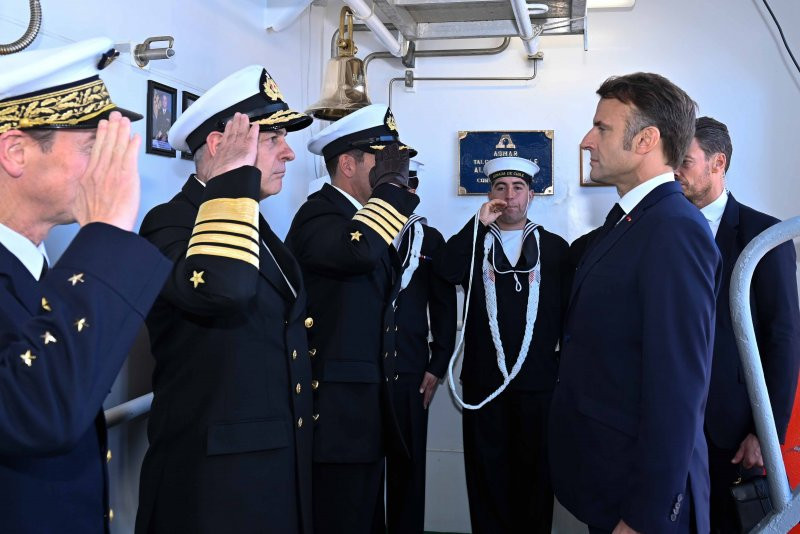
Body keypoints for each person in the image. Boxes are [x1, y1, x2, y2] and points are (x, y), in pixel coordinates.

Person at [0, 37, 171, 533]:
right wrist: (108, 234)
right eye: (94, 149)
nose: (109, 172)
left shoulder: (39, 264)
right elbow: (37, 409)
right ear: (15, 151)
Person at [134, 65, 314, 534]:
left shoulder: (256, 220)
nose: (289, 153)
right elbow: (225, 290)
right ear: (220, 146)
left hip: (272, 464)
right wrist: (233, 182)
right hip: (216, 483)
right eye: (272, 138)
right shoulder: (170, 224)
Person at [548, 72, 722, 534]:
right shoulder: (632, 222)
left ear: (646, 139)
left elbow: (678, 388)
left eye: (602, 128)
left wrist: (646, 515)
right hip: (610, 479)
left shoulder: (673, 229)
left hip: (642, 503)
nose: (587, 141)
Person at [285, 103, 419, 534]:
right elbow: (357, 250)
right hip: (336, 417)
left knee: (364, 518)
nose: (392, 172)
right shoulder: (320, 215)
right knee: (341, 519)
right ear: (347, 164)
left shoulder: (354, 219)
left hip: (362, 412)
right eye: (383, 162)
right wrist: (394, 189)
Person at [675, 116, 800, 533]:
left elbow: (783, 337)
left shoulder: (764, 235)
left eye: (686, 161)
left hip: (734, 433)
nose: (675, 171)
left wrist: (766, 433)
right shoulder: (662, 233)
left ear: (718, 163)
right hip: (671, 424)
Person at [438, 156, 569, 533]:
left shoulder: (556, 250)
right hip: (485, 384)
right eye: (500, 188)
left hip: (538, 386)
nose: (509, 196)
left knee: (535, 480)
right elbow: (445, 270)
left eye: (517, 188)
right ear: (489, 195)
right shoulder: (475, 244)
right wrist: (477, 225)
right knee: (486, 478)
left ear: (530, 196)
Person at [386, 160, 457, 534]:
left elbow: (445, 307)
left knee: (409, 467)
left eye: (410, 185)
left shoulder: (430, 240)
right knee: (362, 468)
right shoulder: (360, 232)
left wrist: (438, 363)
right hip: (365, 371)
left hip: (413, 369)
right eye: (398, 185)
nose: (407, 193)